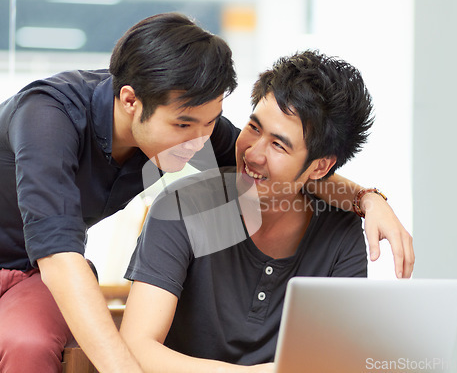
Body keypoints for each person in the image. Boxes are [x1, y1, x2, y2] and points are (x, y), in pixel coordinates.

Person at [0, 13, 412, 373]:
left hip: (27, 274)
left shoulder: (188, 127)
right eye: (185, 125)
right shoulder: (47, 118)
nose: (202, 141)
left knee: (29, 344)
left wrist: (367, 200)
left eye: (210, 122)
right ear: (130, 101)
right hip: (45, 261)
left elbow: (287, 169)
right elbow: (59, 256)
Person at [120, 50, 400, 372]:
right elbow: (136, 348)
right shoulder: (180, 208)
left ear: (320, 166)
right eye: (253, 128)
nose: (253, 154)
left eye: (279, 145)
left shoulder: (340, 233)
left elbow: (337, 360)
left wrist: (369, 198)